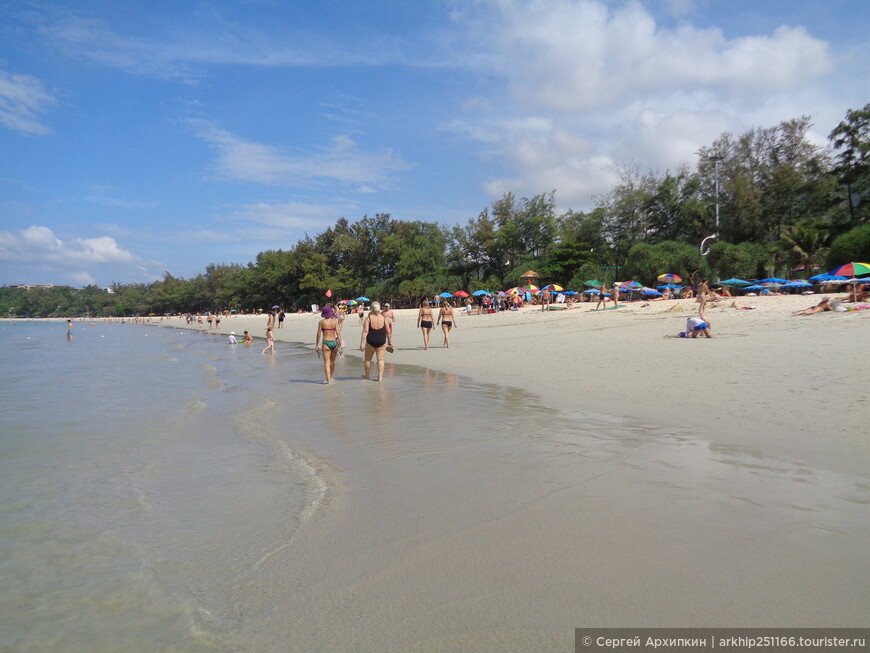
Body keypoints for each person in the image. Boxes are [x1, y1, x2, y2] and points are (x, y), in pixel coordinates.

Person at [360, 301, 392, 381]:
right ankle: (380, 377)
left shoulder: (368, 318)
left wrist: (362, 344)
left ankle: (367, 376)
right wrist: (390, 342)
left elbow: (365, 331)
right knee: (380, 359)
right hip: (381, 341)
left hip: (371, 341)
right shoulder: (384, 318)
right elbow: (388, 331)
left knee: (368, 359)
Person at [314, 305, 341, 384]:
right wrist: (340, 344)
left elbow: (318, 334)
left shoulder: (321, 322)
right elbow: (338, 334)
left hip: (326, 342)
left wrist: (316, 345)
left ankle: (328, 381)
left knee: (326, 363)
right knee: (332, 362)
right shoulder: (334, 322)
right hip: (334, 342)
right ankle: (331, 377)